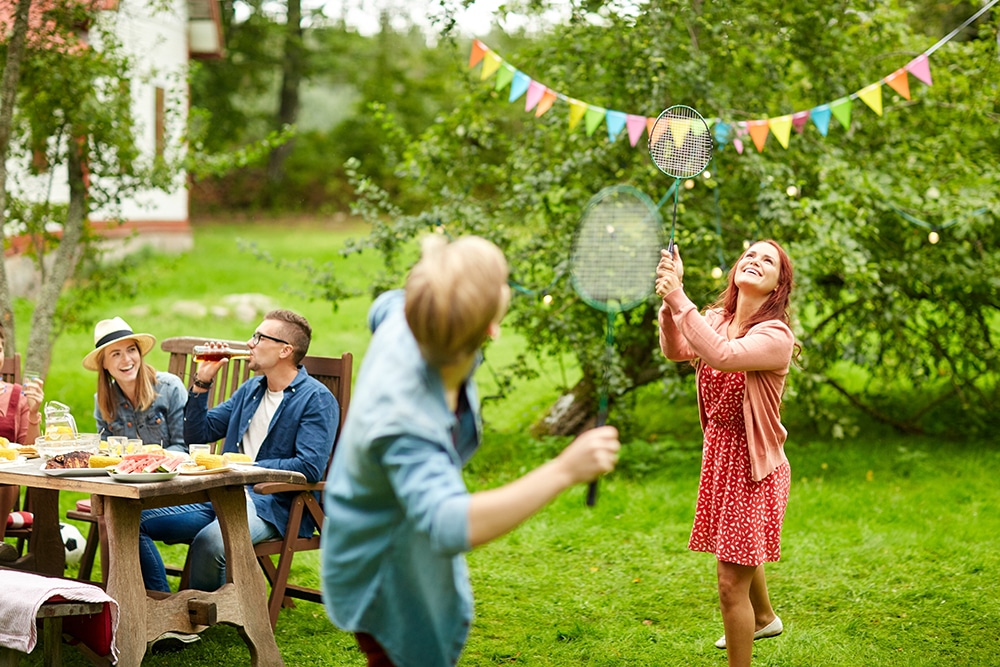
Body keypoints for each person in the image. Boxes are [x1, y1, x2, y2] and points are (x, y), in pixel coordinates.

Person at [322, 235, 621, 667]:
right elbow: (448, 522)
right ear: (489, 328)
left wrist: (434, 273)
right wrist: (564, 470)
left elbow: (384, 304)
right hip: (385, 577)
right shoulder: (405, 417)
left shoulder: (408, 318)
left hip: (393, 537)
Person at [655, 241, 798, 667]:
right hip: (720, 459)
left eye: (768, 260)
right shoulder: (717, 318)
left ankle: (752, 632)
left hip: (755, 470)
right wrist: (668, 304)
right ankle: (765, 618)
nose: (755, 261)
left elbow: (722, 355)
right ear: (737, 269)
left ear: (777, 286)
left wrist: (679, 296)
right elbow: (677, 349)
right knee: (740, 549)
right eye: (750, 255)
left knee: (729, 584)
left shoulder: (775, 335)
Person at [138, 309, 339, 595]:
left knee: (211, 543)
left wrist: (245, 468)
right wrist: (202, 383)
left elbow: (308, 467)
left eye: (259, 337)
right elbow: (199, 434)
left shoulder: (316, 399)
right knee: (133, 522)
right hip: (221, 496)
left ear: (285, 350)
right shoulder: (251, 389)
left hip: (273, 506)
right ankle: (161, 604)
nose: (249, 343)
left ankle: (200, 614)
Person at [82, 317, 188, 452]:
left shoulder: (170, 388)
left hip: (169, 466)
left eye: (131, 349)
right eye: (116, 354)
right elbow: (105, 452)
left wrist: (149, 460)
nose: (126, 359)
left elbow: (184, 446)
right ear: (104, 363)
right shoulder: (103, 400)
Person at [0, 323, 44, 562]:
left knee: (4, 479)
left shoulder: (19, 396)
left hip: (4, 484)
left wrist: (34, 413)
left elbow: (32, 452)